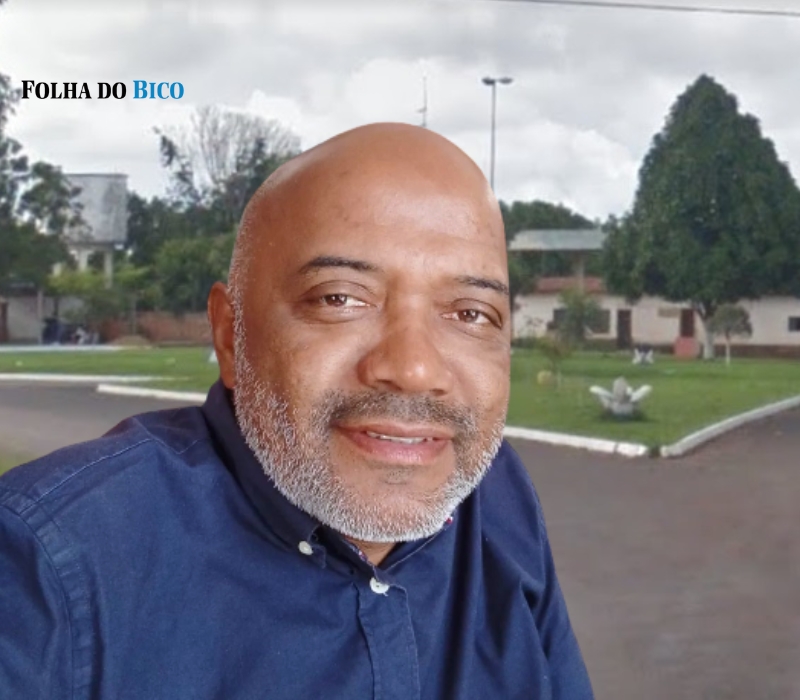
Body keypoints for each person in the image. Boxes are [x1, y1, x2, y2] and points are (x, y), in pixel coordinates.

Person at [0, 124, 594, 699]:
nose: (414, 369)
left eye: (471, 314)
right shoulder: (48, 566)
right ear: (230, 335)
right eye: (340, 298)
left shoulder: (498, 499)